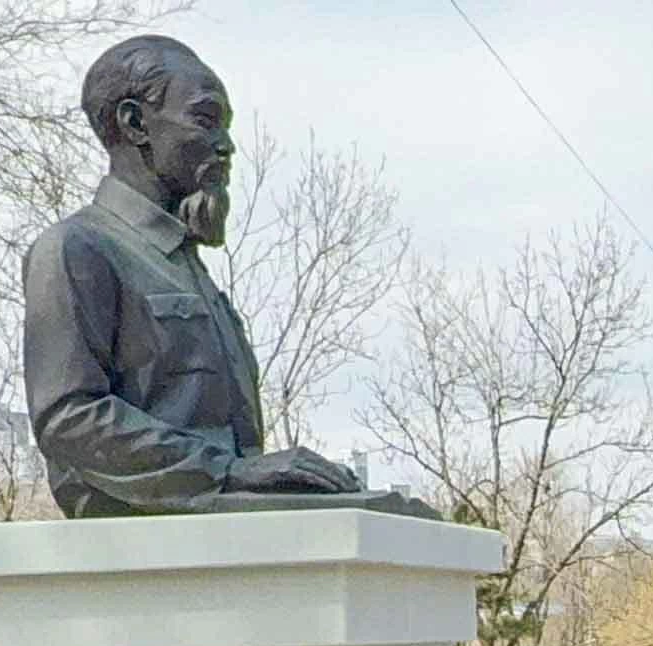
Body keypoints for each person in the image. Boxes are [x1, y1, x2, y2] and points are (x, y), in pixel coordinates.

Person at [24, 36, 427, 518]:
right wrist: (228, 472)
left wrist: (251, 475)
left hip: (220, 523)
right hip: (143, 526)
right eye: (205, 119)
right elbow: (69, 420)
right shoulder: (77, 248)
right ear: (135, 123)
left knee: (393, 515)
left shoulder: (186, 266)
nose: (226, 145)